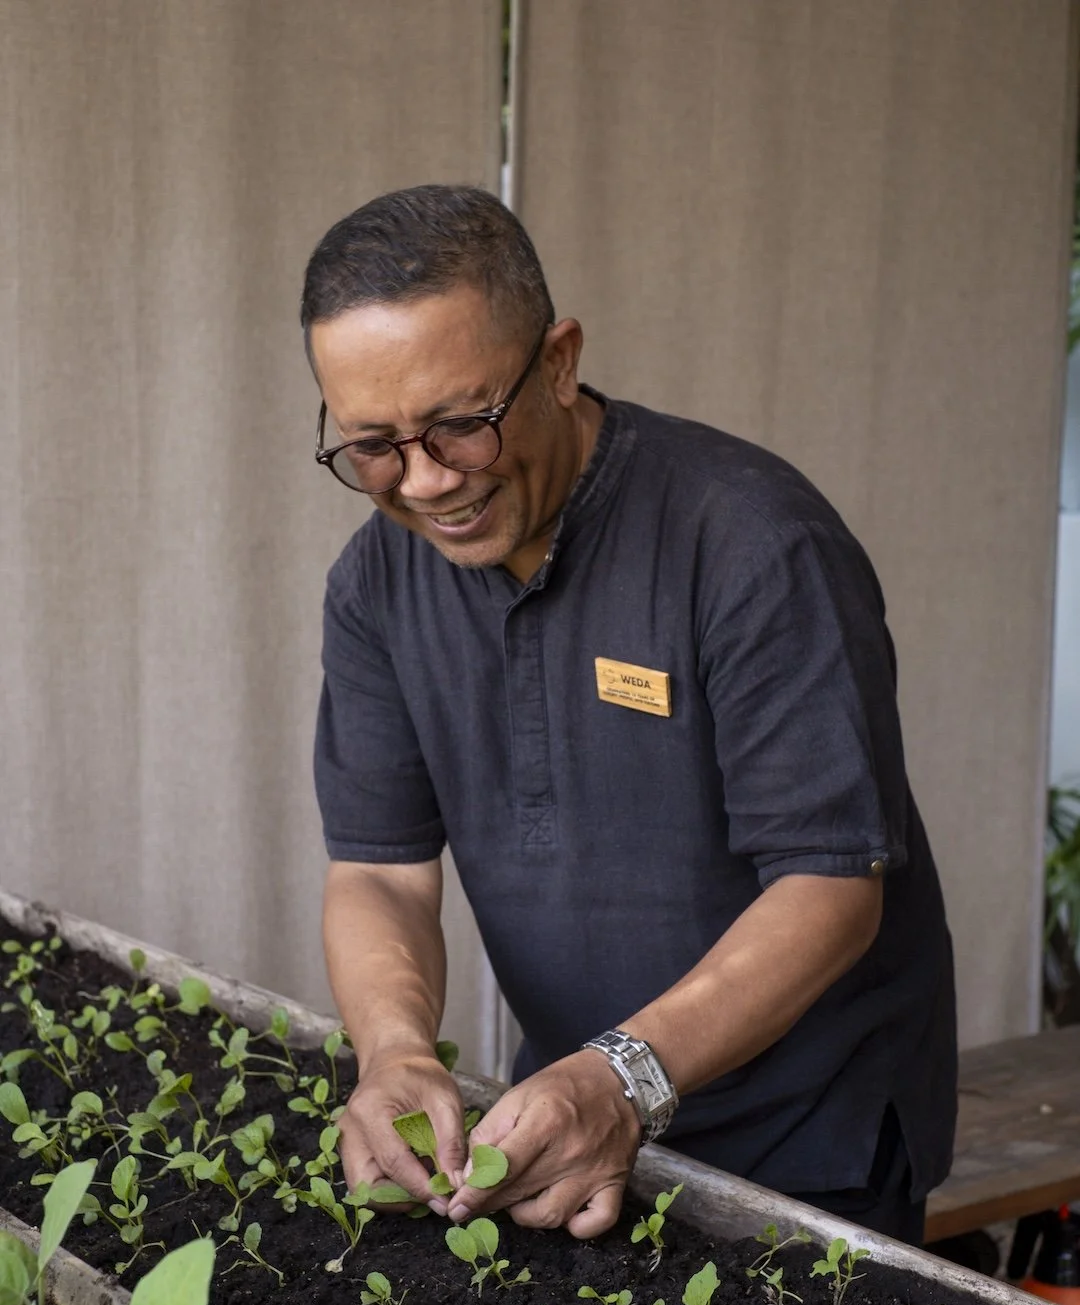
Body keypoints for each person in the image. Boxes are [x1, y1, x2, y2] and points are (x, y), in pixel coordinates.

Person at [301, 184, 957, 1248]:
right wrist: (395, 1052)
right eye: (372, 445)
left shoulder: (749, 544)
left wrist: (624, 1079)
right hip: (564, 1119)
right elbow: (379, 868)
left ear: (557, 362)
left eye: (461, 426)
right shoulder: (378, 584)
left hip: (808, 1143)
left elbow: (831, 891)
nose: (425, 482)